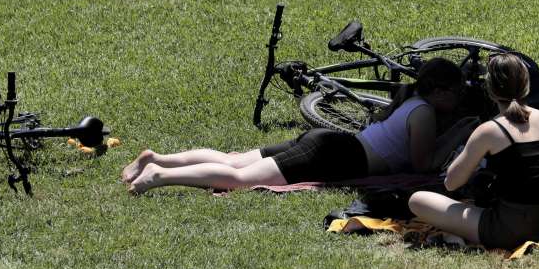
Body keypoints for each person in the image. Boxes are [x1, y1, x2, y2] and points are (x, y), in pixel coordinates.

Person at [122, 58, 474, 194]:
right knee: (241, 178)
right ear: (439, 91)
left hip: (333, 144)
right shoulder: (424, 113)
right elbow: (421, 165)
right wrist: (459, 134)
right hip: (339, 154)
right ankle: (159, 175)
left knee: (235, 160)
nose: (459, 99)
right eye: (456, 92)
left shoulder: (410, 101)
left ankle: (158, 158)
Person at [408, 52, 539, 249]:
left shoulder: (489, 130)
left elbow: (451, 183)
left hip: (510, 229)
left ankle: (455, 236)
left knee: (417, 200)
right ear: (526, 85)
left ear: (490, 90)